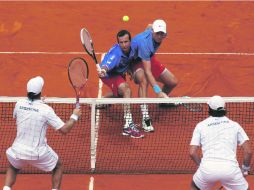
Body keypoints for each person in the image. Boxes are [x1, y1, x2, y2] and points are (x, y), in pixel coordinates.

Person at [3, 76, 81, 190]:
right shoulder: (46, 110)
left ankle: (6, 188)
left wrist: (38, 104)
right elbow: (65, 129)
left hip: (17, 150)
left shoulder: (18, 104)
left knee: (13, 166)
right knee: (58, 166)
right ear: (40, 91)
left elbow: (25, 111)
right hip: (37, 152)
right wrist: (75, 116)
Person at [98, 30, 153, 138]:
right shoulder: (116, 54)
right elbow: (106, 65)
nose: (124, 45)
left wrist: (130, 70)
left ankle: (101, 101)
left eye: (126, 42)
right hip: (110, 75)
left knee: (121, 94)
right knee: (126, 90)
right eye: (121, 42)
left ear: (130, 41)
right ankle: (128, 124)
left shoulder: (134, 46)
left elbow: (131, 58)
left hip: (120, 73)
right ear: (118, 43)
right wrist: (103, 70)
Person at [189, 95, 252, 190]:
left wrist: (200, 165)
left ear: (209, 108)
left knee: (194, 187)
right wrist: (245, 169)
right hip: (230, 170)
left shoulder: (200, 126)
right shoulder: (235, 125)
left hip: (207, 169)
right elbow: (248, 151)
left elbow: (192, 152)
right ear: (224, 108)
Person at [131, 19, 178, 100]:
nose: (159, 36)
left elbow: (149, 25)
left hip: (148, 58)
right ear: (152, 31)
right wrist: (158, 91)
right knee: (144, 80)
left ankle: (162, 101)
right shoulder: (145, 45)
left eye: (162, 33)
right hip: (135, 61)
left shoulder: (152, 29)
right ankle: (144, 109)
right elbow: (148, 72)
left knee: (172, 82)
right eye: (157, 33)